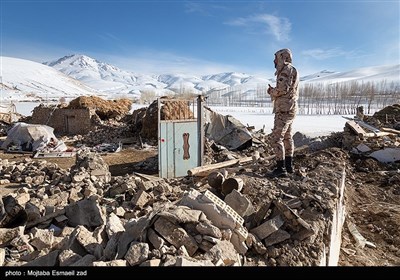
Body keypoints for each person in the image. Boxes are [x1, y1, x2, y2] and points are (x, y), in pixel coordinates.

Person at [266, 48, 299, 178]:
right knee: (287, 137)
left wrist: (271, 91)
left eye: (276, 58)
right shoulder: (293, 70)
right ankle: (289, 166)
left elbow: (282, 89)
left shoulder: (285, 71)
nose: (274, 61)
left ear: (282, 57)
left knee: (277, 138)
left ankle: (281, 169)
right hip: (291, 108)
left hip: (284, 110)